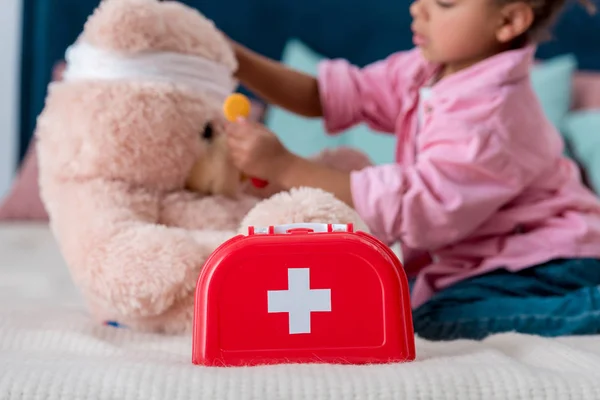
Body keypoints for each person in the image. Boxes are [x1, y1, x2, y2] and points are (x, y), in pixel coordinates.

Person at [224, 0, 600, 340]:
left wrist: (285, 166)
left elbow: (414, 206)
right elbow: (326, 95)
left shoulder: (490, 114)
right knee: (404, 298)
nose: (417, 9)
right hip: (487, 258)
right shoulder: (429, 70)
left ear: (509, 21)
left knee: (426, 320)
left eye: (444, 3)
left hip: (548, 259)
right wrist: (232, 57)